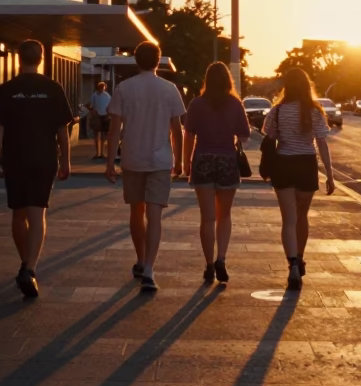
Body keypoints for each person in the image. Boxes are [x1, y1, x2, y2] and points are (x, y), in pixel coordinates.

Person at [0, 40, 75, 298]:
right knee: (38, 214)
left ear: (18, 58)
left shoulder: (7, 89)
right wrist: (66, 160)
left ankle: (25, 262)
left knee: (18, 214)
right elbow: (62, 130)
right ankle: (31, 267)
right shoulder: (53, 88)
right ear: (41, 59)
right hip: (43, 159)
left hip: (15, 159)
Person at [105, 41, 186, 292]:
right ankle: (150, 268)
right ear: (158, 60)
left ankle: (140, 259)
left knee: (136, 212)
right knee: (155, 215)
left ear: (136, 60)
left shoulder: (124, 88)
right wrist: (180, 160)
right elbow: (177, 129)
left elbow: (114, 128)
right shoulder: (169, 89)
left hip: (132, 158)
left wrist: (110, 162)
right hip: (160, 159)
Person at [261, 68, 335, 291]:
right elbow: (322, 143)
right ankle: (300, 257)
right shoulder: (315, 111)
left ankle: (292, 263)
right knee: (302, 216)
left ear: (287, 86)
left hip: (283, 165)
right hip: (306, 165)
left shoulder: (278, 110)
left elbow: (269, 137)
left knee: (289, 219)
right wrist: (330, 175)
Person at [182, 62, 250, 284]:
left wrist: (186, 163)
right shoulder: (234, 104)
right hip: (227, 162)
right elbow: (245, 134)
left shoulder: (197, 104)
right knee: (225, 216)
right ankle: (221, 259)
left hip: (202, 160)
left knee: (207, 218)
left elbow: (189, 135)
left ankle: (209, 265)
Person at [87, 81, 112, 159]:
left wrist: (108, 114)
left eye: (103, 87)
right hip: (97, 116)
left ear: (104, 88)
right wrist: (92, 110)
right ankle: (98, 152)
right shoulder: (94, 95)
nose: (102, 89)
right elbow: (89, 104)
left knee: (104, 135)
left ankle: (101, 152)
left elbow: (110, 105)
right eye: (101, 87)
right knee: (97, 135)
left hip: (104, 116)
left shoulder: (107, 95)